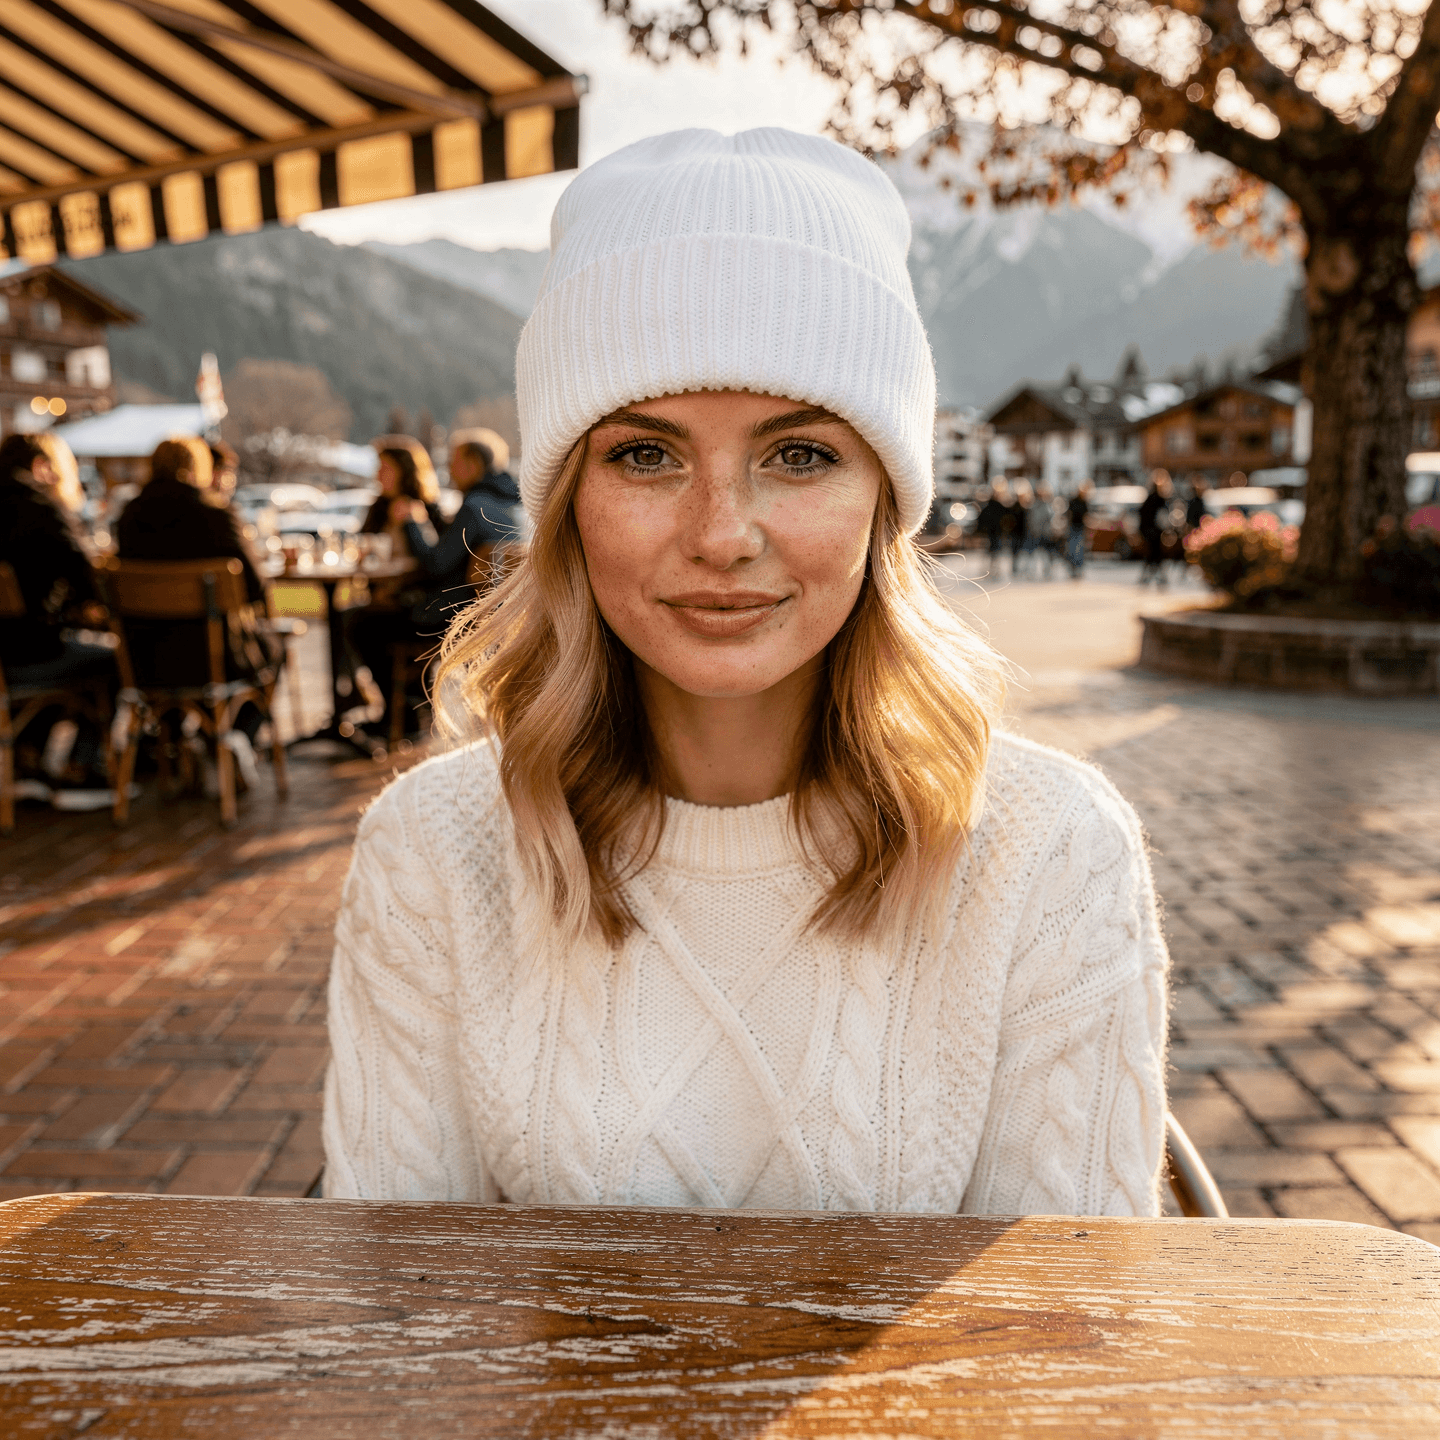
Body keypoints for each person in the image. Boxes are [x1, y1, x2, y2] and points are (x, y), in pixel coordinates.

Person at [323, 129, 1168, 1216]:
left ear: (884, 503)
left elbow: (1060, 1343)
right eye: (645, 455)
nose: (723, 534)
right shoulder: (431, 854)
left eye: (800, 455)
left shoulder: (1051, 855)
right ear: (568, 505)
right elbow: (400, 1328)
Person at [116, 437, 281, 786]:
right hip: (215, 657)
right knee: (273, 650)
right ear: (195, 468)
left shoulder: (128, 516)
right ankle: (237, 737)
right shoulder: (215, 513)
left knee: (177, 656)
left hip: (144, 659)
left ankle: (182, 741)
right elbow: (255, 587)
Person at [0, 432, 116, 808]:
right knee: (111, 661)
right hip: (29, 655)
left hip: (7, 659)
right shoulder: (40, 507)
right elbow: (87, 577)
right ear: (40, 466)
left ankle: (27, 763)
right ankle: (82, 770)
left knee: (54, 647)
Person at [1138, 469, 1172, 586]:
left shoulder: (1159, 499)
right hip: (1153, 531)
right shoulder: (1155, 499)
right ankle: (1157, 577)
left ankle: (1152, 577)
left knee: (1154, 556)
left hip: (1154, 531)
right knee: (1154, 555)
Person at [1066, 480, 1091, 577]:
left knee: (1080, 550)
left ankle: (1079, 568)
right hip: (1073, 528)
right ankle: (1072, 567)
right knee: (1072, 549)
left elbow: (1086, 516)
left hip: (1081, 528)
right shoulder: (1073, 501)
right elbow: (1069, 514)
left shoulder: (1084, 502)